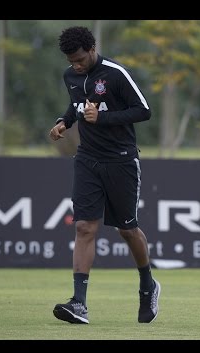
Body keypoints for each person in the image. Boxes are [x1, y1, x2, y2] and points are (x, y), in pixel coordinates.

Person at [49, 26, 160, 324]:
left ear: (92, 49)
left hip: (121, 161)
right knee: (84, 226)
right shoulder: (70, 75)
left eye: (81, 59)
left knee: (127, 230)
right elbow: (76, 107)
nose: (77, 65)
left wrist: (104, 118)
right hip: (87, 159)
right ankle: (79, 303)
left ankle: (148, 284)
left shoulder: (115, 74)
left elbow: (144, 110)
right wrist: (64, 121)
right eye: (72, 61)